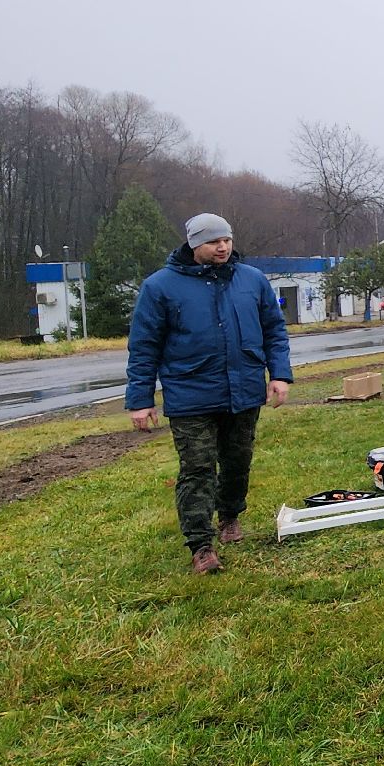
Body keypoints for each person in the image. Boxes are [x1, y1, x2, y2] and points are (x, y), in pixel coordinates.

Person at [125, 213, 292, 574]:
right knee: (198, 469)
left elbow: (274, 331)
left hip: (244, 390)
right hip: (190, 394)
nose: (223, 246)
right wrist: (140, 399)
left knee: (237, 461)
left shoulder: (252, 280)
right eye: (214, 241)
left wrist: (279, 374)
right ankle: (200, 546)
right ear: (193, 244)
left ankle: (230, 515)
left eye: (227, 239)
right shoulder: (160, 287)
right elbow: (143, 346)